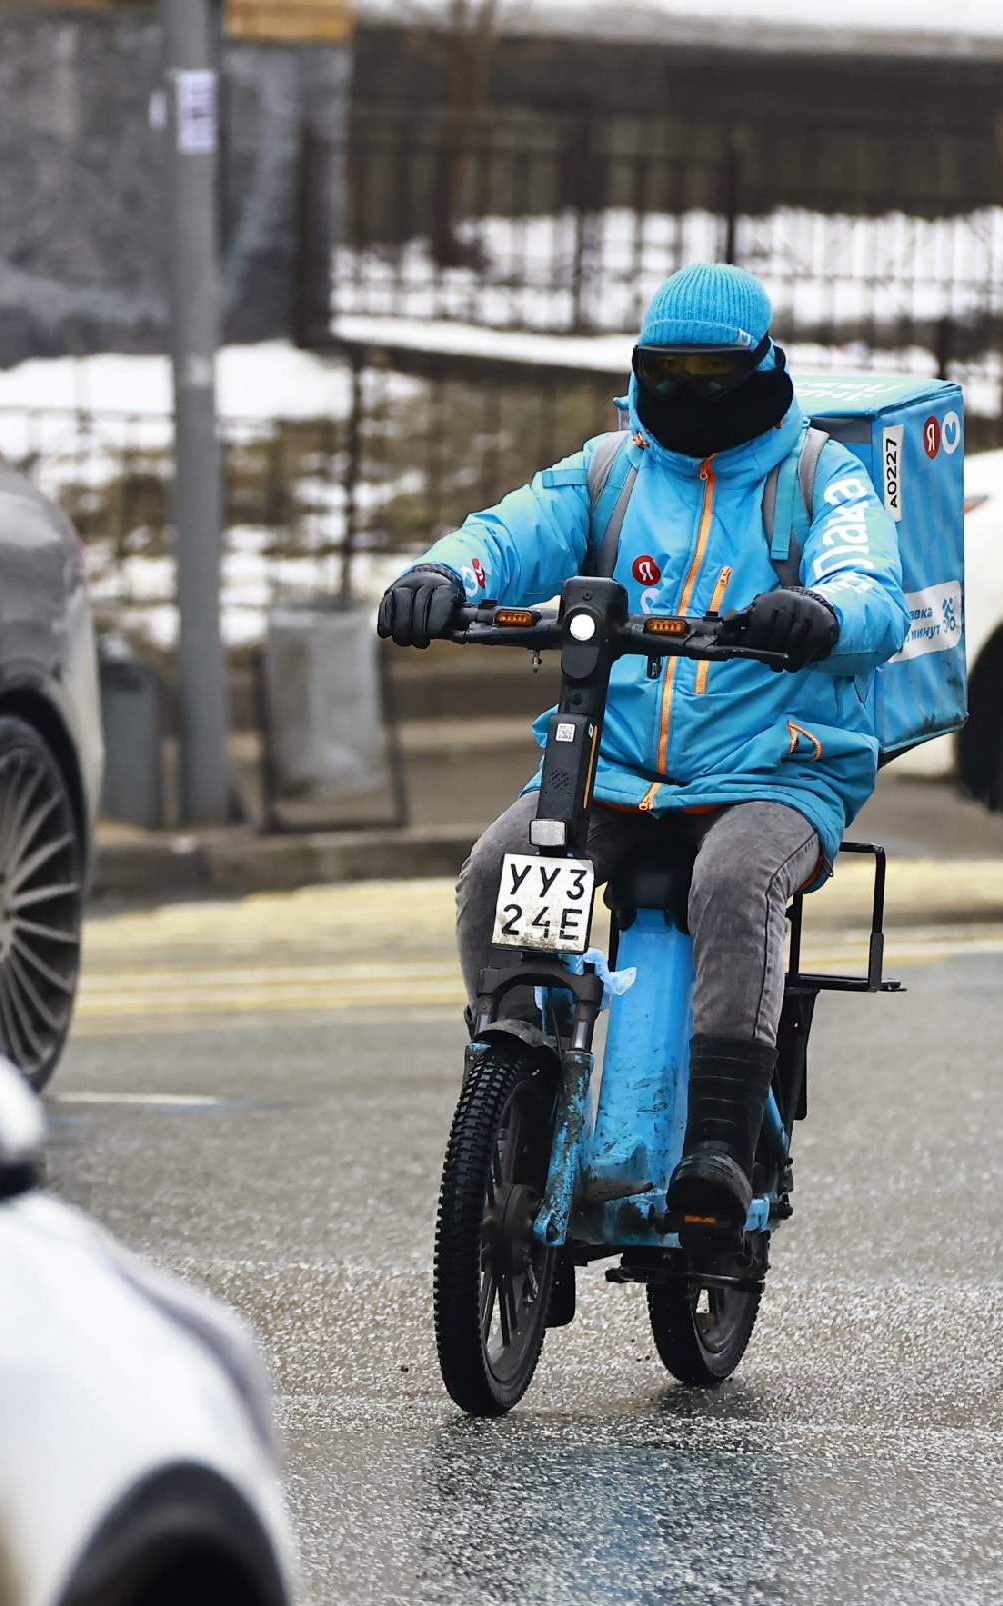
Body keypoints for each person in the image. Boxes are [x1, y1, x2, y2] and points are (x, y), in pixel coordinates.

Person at [377, 262, 910, 1241]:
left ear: (762, 366)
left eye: (716, 374)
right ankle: (519, 1072)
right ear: (639, 368)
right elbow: (506, 534)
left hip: (777, 769)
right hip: (612, 769)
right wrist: (439, 574)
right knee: (502, 866)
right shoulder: (608, 470)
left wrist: (822, 611)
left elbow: (874, 590)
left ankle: (716, 1147)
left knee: (733, 884)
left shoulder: (815, 477)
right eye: (670, 372)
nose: (692, 394)